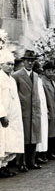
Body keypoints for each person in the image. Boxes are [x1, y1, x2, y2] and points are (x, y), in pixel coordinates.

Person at [12, 50, 42, 172]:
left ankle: (31, 161)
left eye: (32, 61)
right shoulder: (17, 76)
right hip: (23, 112)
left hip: (34, 111)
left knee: (33, 137)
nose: (30, 63)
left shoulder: (35, 75)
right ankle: (20, 163)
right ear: (24, 62)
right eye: (28, 61)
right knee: (23, 138)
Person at [0, 48, 24, 178]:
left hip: (13, 117)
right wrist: (2, 115)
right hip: (3, 117)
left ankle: (4, 166)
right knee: (2, 141)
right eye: (7, 64)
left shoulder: (12, 79)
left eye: (12, 64)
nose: (10, 67)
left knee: (10, 143)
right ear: (1, 64)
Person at [39, 60, 55, 160]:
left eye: (52, 71)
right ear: (44, 71)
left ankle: (52, 152)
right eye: (48, 71)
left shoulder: (52, 81)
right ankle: (46, 153)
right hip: (49, 109)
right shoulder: (42, 82)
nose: (50, 73)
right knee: (48, 132)